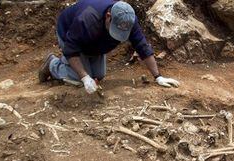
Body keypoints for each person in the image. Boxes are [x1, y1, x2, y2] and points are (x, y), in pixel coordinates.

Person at [38, 0, 180, 94]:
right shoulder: (87, 19)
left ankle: (82, 66)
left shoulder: (128, 19)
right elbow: (70, 48)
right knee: (78, 79)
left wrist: (158, 77)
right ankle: (53, 64)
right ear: (108, 16)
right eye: (115, 30)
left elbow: (142, 47)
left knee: (98, 76)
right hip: (70, 35)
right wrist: (84, 77)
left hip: (96, 42)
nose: (116, 36)